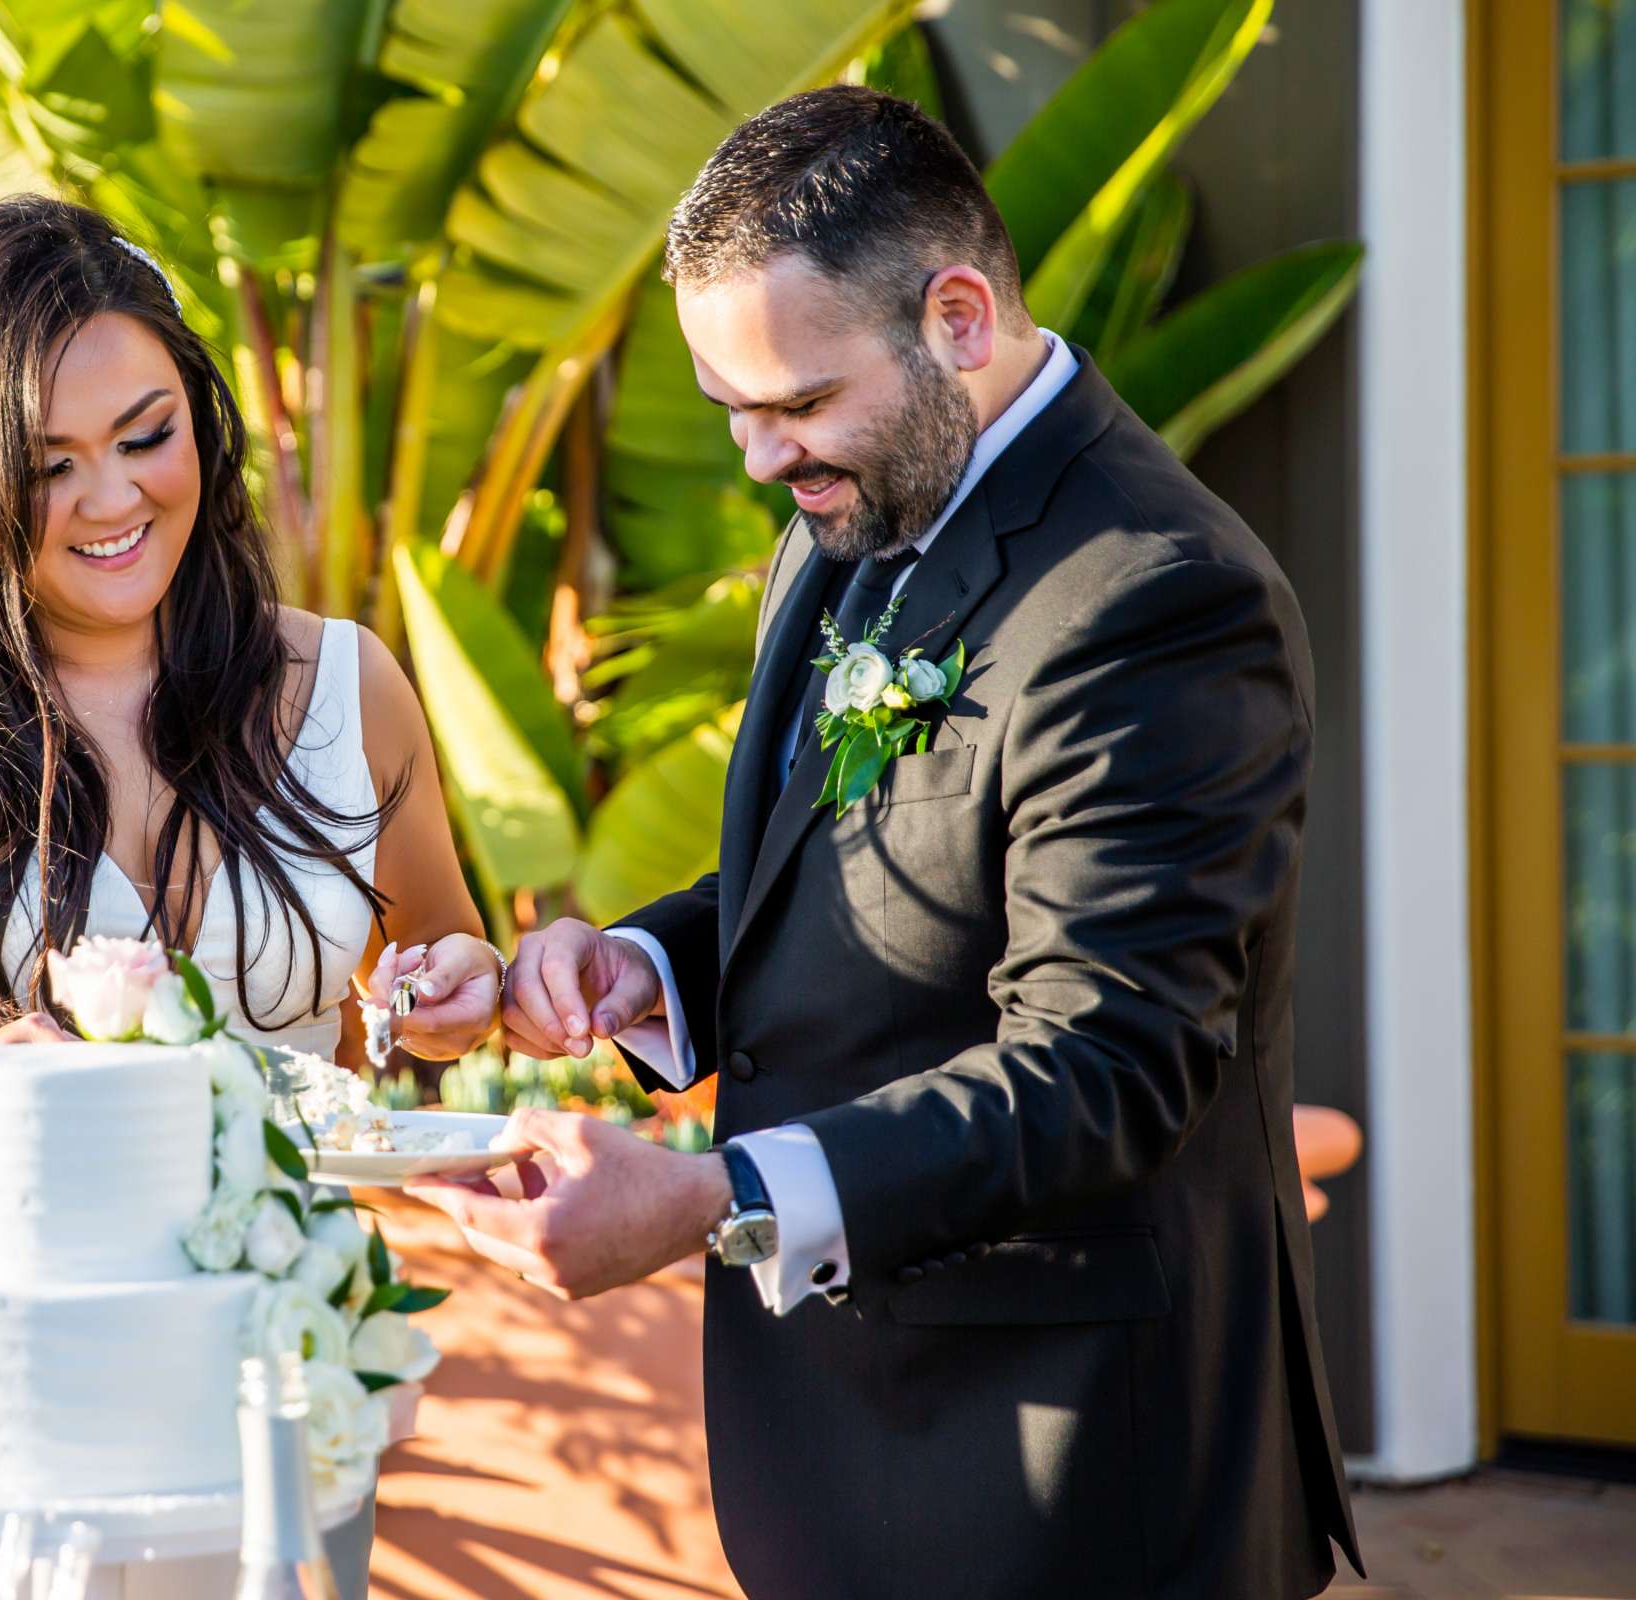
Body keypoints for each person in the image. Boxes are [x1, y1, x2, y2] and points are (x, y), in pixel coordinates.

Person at [396, 87, 1363, 1600]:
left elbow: (1108, 1063)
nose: (760, 458)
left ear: (960, 318)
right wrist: (652, 967)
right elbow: (843, 863)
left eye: (794, 405)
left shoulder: (1156, 598)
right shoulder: (853, 502)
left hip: (1063, 1479)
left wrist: (720, 1196)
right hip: (850, 1454)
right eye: (731, 409)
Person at [0, 195, 502, 1595]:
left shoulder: (346, 688)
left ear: (203, 415)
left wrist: (440, 998)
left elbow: (436, 977)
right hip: (0, 1387)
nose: (117, 500)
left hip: (283, 1372)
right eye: (47, 465)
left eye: (147, 436)